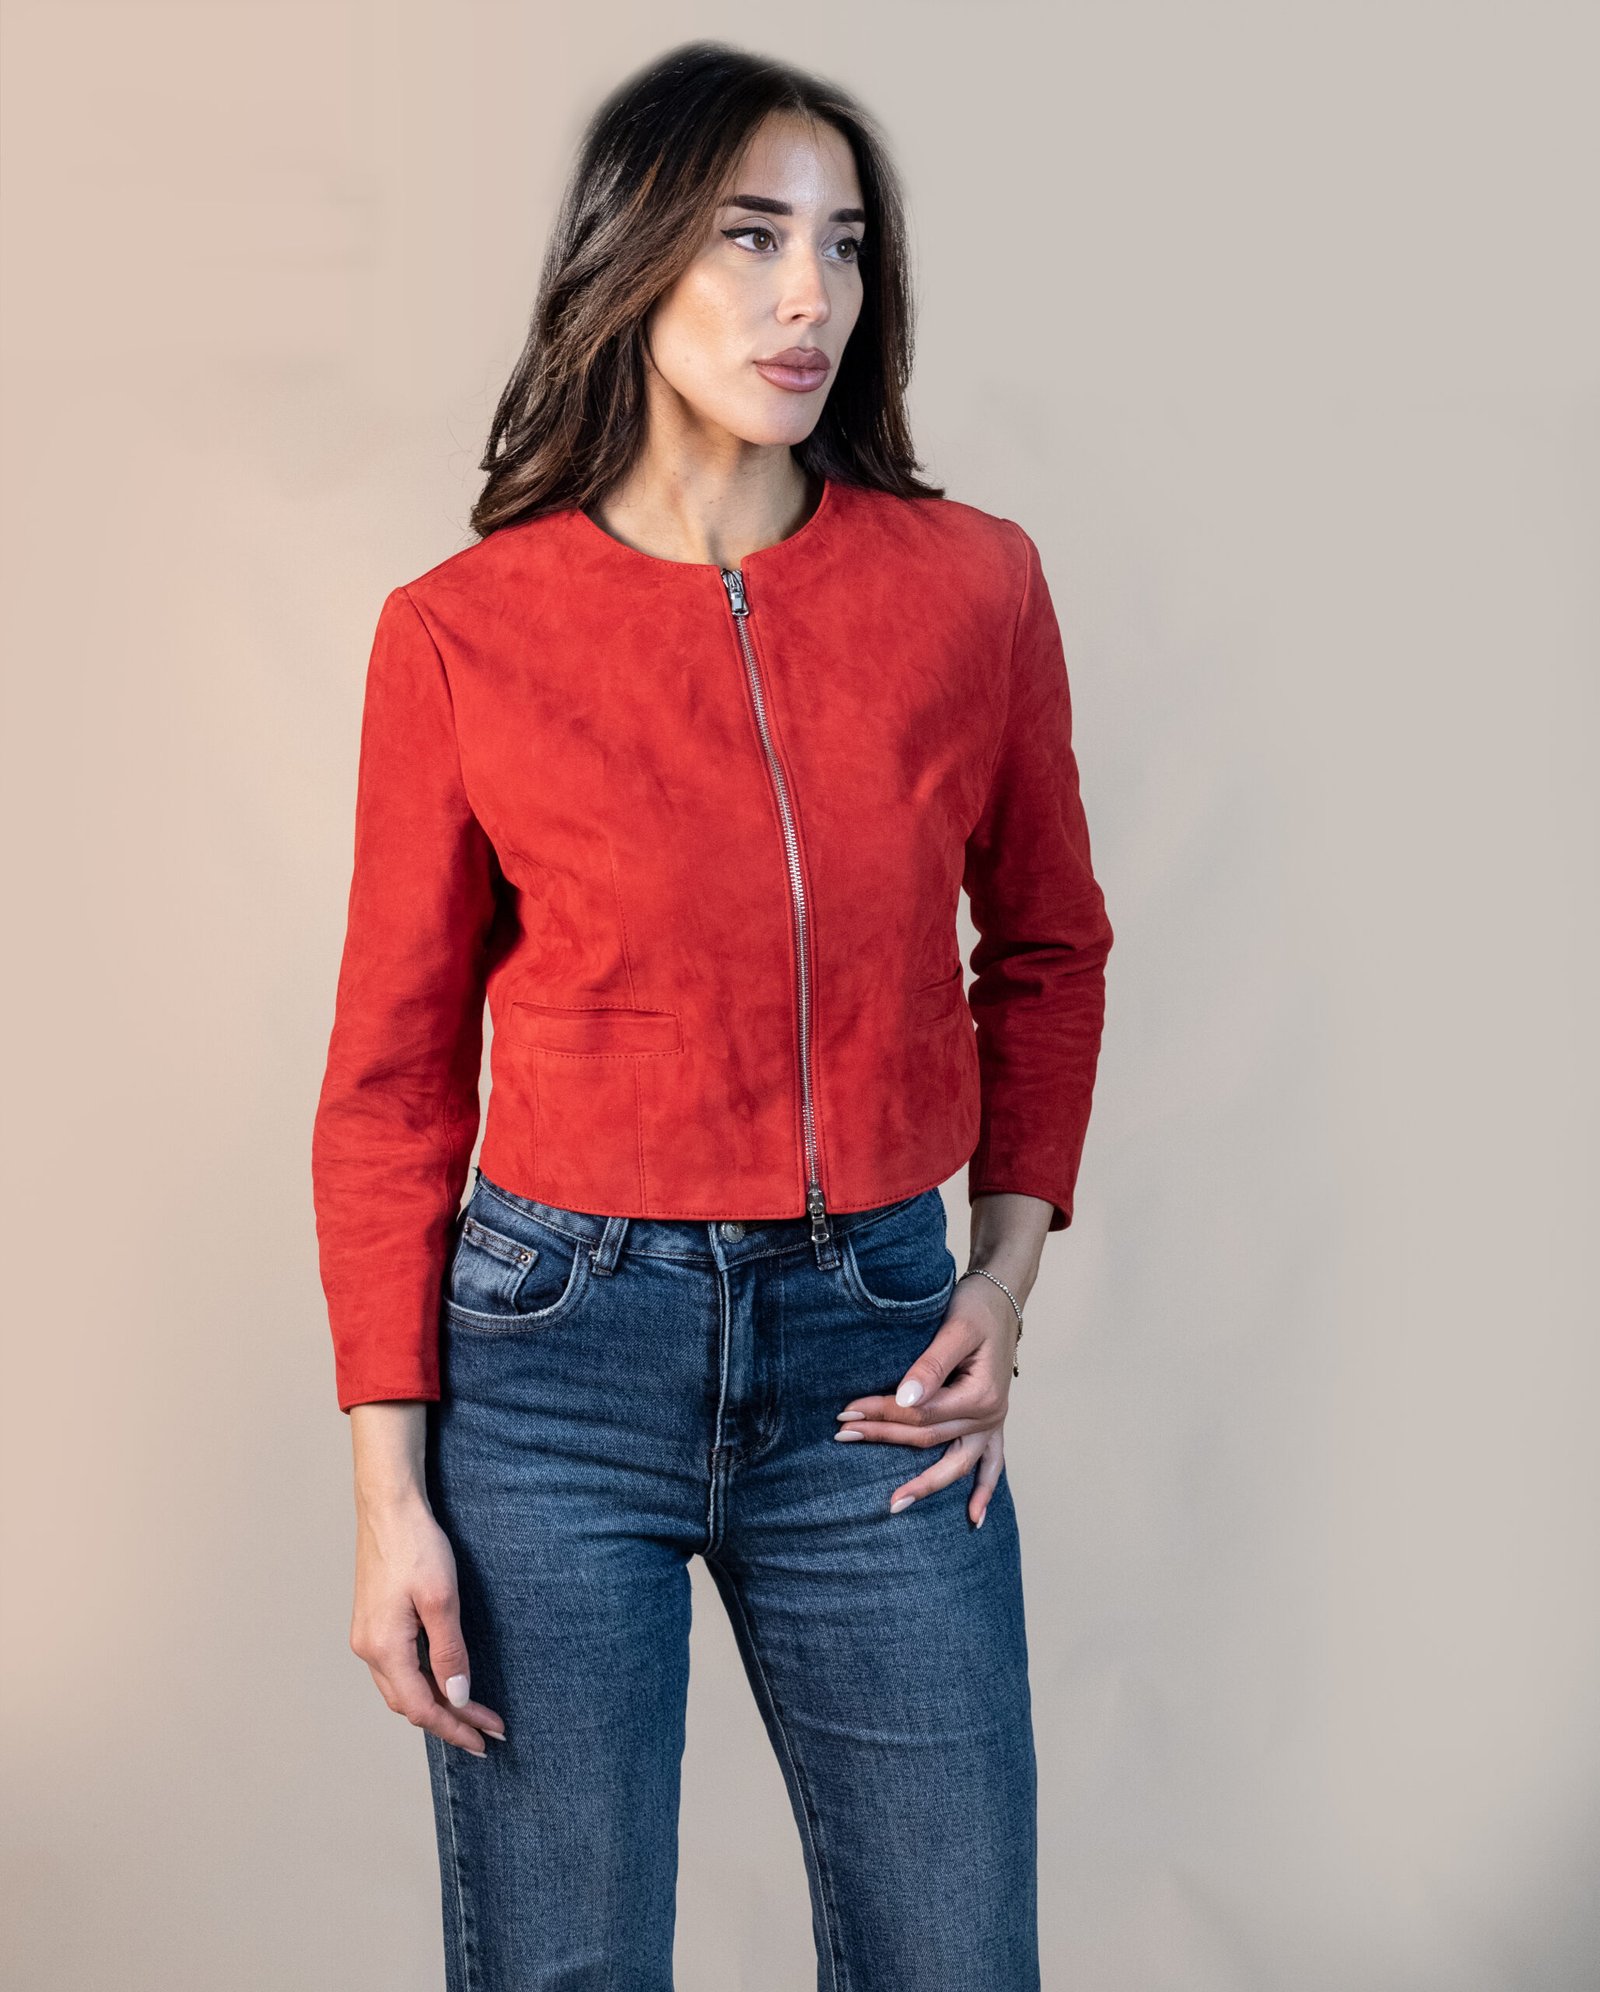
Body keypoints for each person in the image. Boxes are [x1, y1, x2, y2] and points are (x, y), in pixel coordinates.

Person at [311, 38, 1114, 1992]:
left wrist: (1001, 1283)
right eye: (751, 236)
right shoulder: (464, 633)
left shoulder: (970, 588)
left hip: (870, 1354)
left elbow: (1046, 947)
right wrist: (389, 1496)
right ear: (634, 252)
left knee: (952, 1957)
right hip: (553, 1365)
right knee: (565, 1964)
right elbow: (393, 1083)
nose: (805, 295)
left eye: (842, 245)